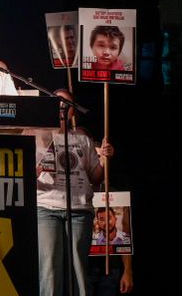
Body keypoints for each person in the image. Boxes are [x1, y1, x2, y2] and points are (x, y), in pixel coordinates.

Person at [36, 90, 113, 296]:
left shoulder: (83, 140)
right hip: (47, 206)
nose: (61, 108)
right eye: (57, 103)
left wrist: (105, 161)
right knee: (49, 269)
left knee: (79, 268)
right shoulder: (38, 136)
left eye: (66, 104)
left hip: (79, 208)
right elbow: (26, 174)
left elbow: (95, 177)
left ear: (73, 111)